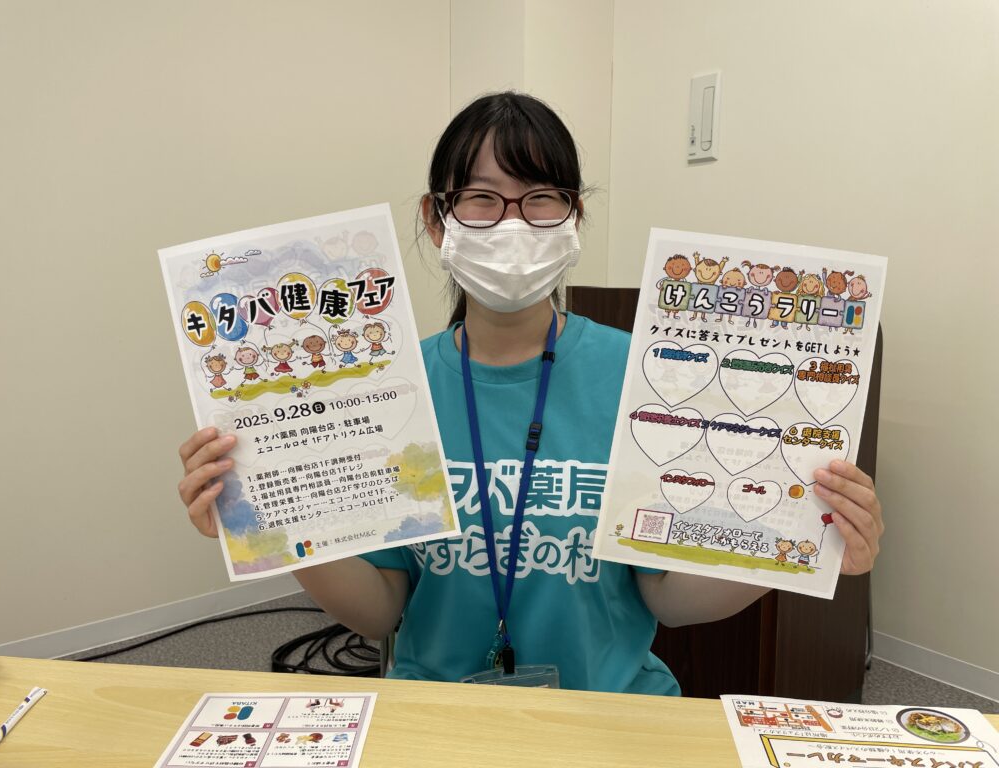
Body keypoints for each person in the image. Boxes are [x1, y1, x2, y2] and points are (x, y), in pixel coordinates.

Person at [176, 92, 884, 695]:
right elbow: (381, 611)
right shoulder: (389, 395)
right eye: (481, 198)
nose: (512, 223)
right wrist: (272, 523)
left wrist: (794, 544)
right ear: (436, 218)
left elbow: (671, 599)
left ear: (573, 216)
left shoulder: (646, 379)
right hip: (439, 716)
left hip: (611, 714)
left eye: (541, 197)